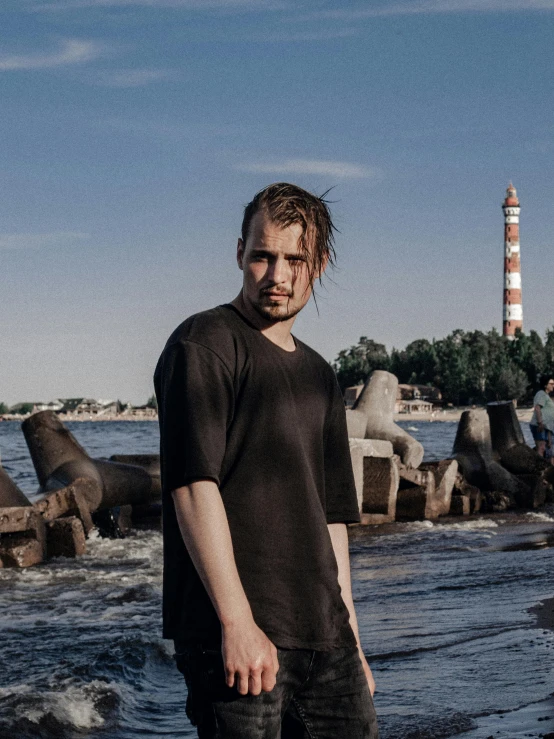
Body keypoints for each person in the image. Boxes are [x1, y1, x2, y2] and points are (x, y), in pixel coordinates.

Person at [154, 182, 378, 738]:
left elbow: (331, 516)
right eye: (263, 256)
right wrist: (237, 622)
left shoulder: (319, 373)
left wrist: (351, 639)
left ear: (318, 264)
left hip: (327, 639)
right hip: (238, 637)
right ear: (240, 254)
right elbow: (191, 485)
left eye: (294, 259)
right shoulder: (203, 344)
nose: (277, 275)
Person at [529, 375, 554, 462]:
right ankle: (539, 469)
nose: (553, 385)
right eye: (551, 384)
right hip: (539, 425)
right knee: (541, 448)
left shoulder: (546, 396)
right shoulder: (541, 393)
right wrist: (540, 423)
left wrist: (549, 436)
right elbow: (537, 408)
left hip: (545, 427)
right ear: (545, 385)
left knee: (546, 449)